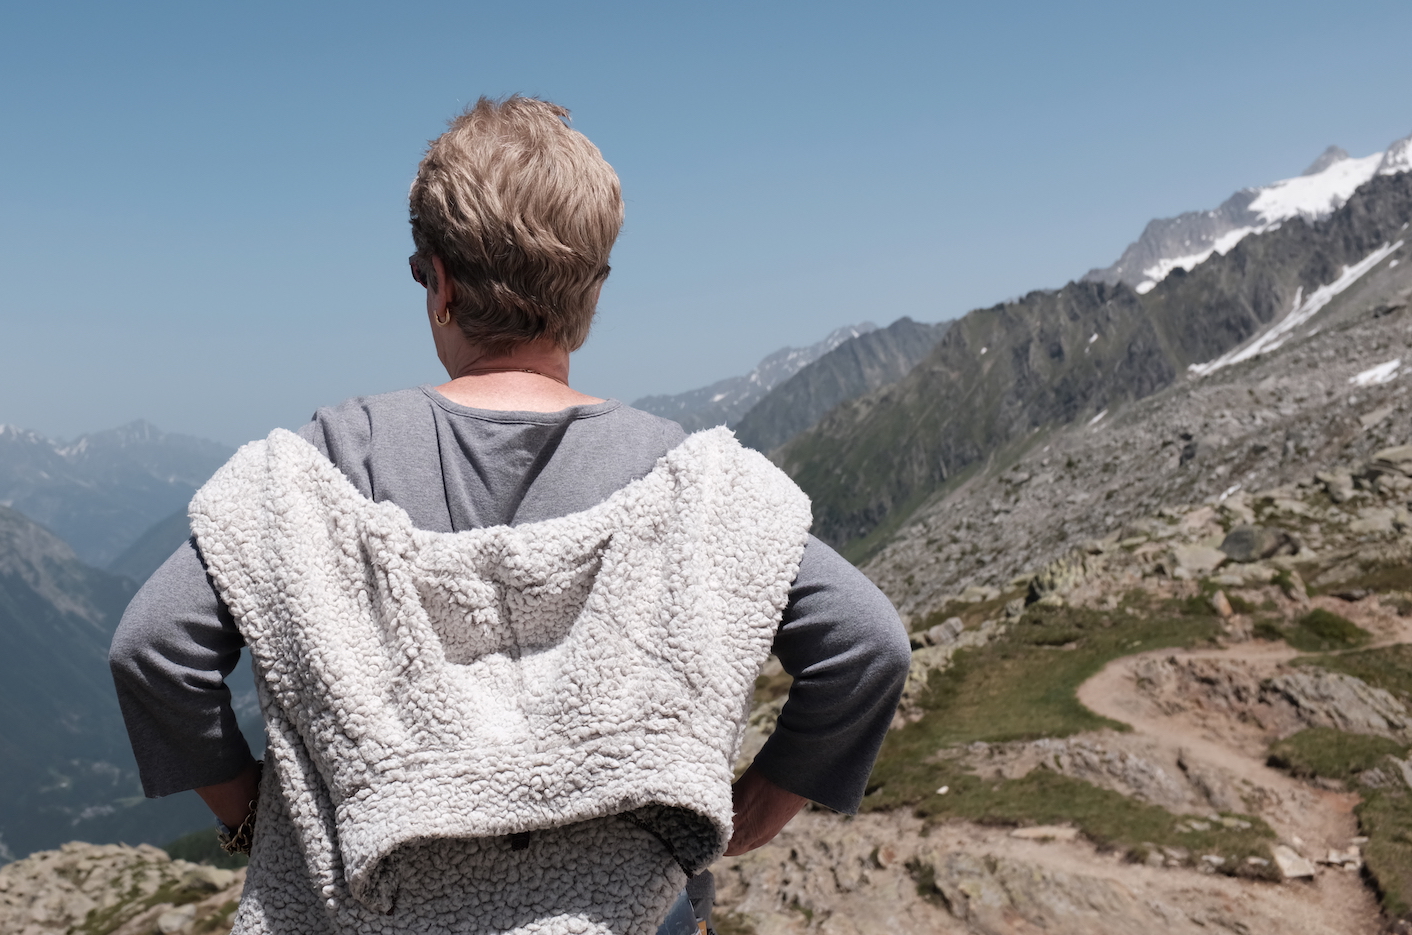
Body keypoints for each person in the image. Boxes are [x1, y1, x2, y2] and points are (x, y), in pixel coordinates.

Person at [110, 96, 910, 935]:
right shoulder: (691, 480)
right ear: (592, 290)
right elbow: (868, 644)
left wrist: (253, 813)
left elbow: (153, 645)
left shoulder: (331, 462)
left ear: (443, 284)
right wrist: (750, 813)